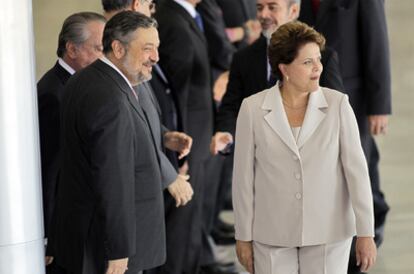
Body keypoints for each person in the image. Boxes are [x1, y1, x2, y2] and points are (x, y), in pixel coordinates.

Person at [49, 11, 191, 274]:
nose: (156, 57)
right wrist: (119, 250)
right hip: (105, 248)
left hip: (89, 238)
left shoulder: (87, 78)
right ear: (117, 48)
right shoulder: (110, 98)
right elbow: (113, 179)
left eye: (157, 48)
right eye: (148, 49)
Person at [233, 21, 377, 274]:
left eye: (318, 60)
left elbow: (357, 172)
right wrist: (243, 236)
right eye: (307, 62)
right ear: (284, 68)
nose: (318, 68)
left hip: (328, 231)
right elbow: (243, 179)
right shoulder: (252, 108)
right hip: (271, 232)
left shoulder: (338, 104)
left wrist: (366, 232)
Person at [298, 2, 392, 272]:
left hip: (354, 97)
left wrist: (379, 106)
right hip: (312, 95)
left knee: (359, 168)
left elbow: (377, 42)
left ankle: (367, 239)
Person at [211, 0, 344, 155]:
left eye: (272, 7)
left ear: (293, 11)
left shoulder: (323, 58)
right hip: (261, 163)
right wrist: (227, 134)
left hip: (309, 161)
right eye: (260, 8)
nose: (263, 14)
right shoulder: (243, 58)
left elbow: (335, 112)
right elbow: (231, 107)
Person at [36, 11, 106, 273]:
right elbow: (49, 172)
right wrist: (47, 238)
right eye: (99, 49)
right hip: (62, 233)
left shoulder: (77, 85)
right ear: (72, 49)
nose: (105, 57)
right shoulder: (54, 95)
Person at [153, 0, 215, 273]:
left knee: (191, 223)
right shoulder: (172, 21)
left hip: (196, 135)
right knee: (181, 226)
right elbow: (177, 93)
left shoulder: (185, 16)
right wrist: (181, 153)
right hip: (187, 139)